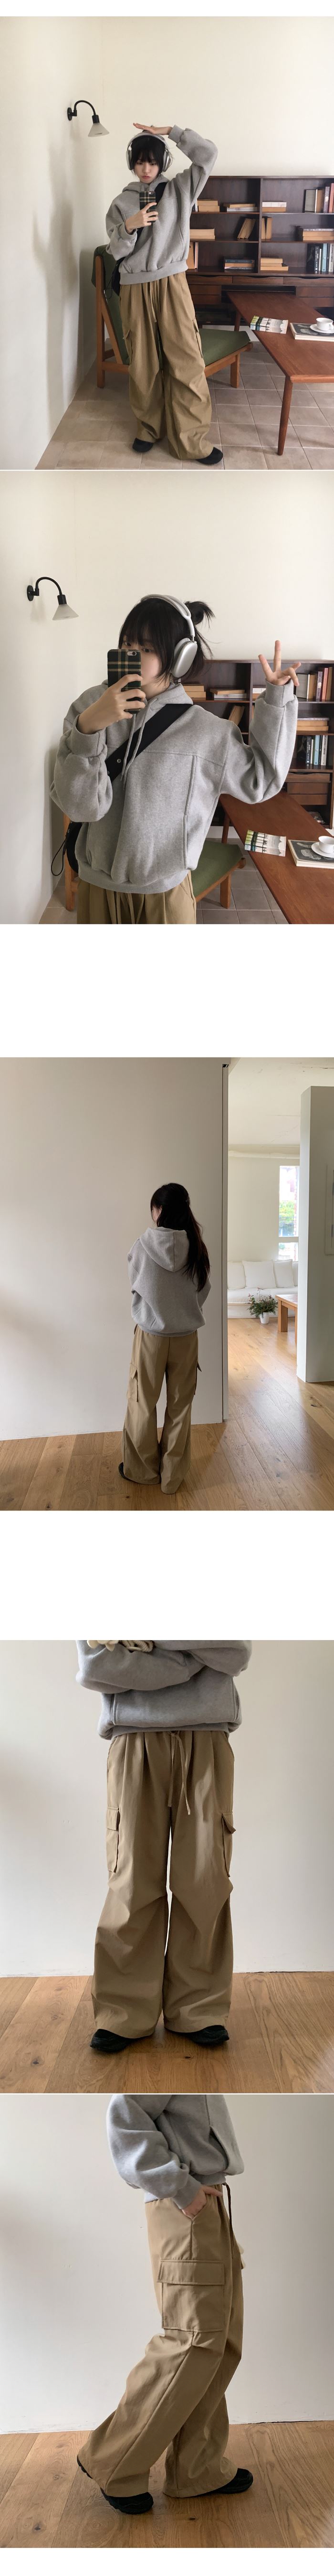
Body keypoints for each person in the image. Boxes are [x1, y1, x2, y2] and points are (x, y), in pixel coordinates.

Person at [52, 597, 299, 925]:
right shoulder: (89, 708)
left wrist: (278, 699)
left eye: (147, 648)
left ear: (180, 657)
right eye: (127, 644)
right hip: (97, 887)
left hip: (166, 895)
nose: (132, 654)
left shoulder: (206, 732)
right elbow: (81, 808)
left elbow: (262, 781)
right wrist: (89, 728)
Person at [77, 2091, 252, 2517]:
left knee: (220, 2342)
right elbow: (126, 2112)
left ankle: (197, 2469)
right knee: (193, 2341)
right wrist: (179, 2186)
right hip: (185, 2203)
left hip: (205, 2199)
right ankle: (113, 2461)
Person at [76, 1636, 251, 2051]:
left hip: (207, 1737)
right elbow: (96, 1668)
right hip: (133, 1739)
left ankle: (199, 2009)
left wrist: (149, 1637)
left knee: (205, 1880)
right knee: (131, 1881)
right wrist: (193, 1657)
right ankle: (123, 2012)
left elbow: (235, 1652)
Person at [105, 121, 220, 463]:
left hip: (172, 283)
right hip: (134, 287)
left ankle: (191, 441)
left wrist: (172, 131)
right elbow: (116, 251)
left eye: (153, 162)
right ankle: (148, 428)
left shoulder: (180, 189)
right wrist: (130, 226)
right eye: (141, 162)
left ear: (163, 163)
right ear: (132, 163)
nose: (146, 169)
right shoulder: (121, 203)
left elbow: (209, 155)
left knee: (187, 359)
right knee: (143, 364)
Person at [120, 1181, 210, 1491]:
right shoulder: (196, 1247)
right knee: (180, 1407)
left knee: (142, 1403)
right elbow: (203, 1291)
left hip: (150, 1338)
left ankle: (143, 1471)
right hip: (186, 1339)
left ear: (158, 1210)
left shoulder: (142, 1245)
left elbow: (136, 1286)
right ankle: (172, 1477)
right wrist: (182, 1312)